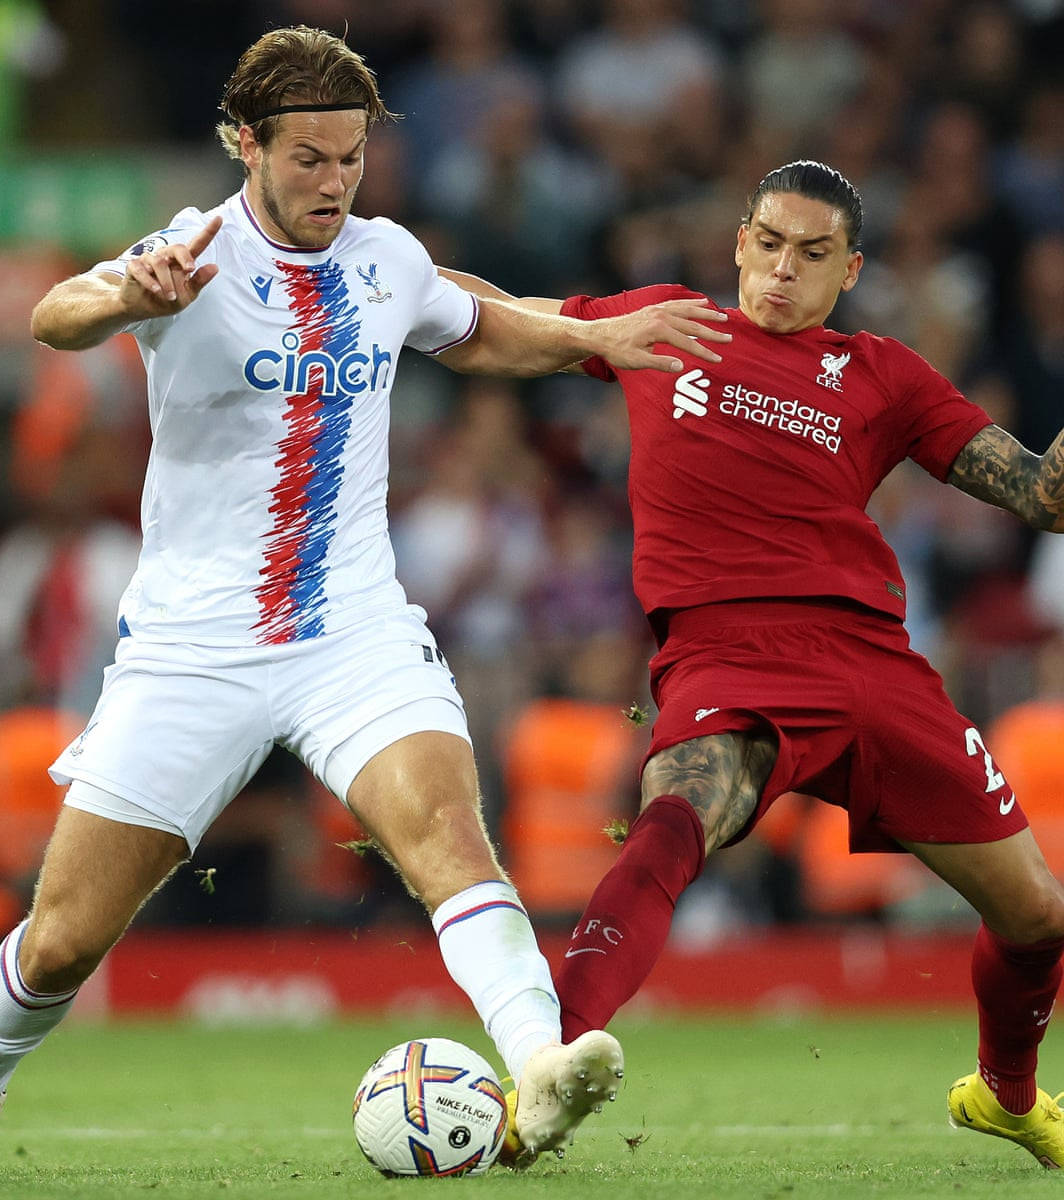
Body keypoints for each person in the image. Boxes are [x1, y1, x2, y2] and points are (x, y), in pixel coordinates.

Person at [0, 25, 731, 1177]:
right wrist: (128, 291)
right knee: (67, 935)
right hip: (192, 647)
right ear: (246, 144)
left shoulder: (386, 260)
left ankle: (541, 1063)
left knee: (449, 841)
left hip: (353, 630)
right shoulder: (191, 250)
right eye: (310, 159)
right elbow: (57, 315)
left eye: (351, 158)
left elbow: (475, 327)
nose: (334, 183)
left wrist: (593, 337)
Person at [443, 159, 1064, 1171]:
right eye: (768, 244)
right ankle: (544, 1071)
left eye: (813, 254)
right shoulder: (665, 323)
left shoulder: (885, 376)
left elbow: (1036, 494)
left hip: (873, 665)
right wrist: (387, 281)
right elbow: (512, 319)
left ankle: (1005, 1095)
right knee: (678, 812)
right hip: (727, 649)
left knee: (1037, 913)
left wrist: (1057, 477)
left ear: (850, 268)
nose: (783, 270)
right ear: (739, 243)